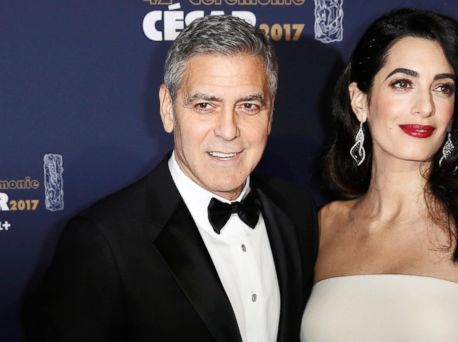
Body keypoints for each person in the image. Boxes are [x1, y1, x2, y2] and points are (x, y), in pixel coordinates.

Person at [25, 15, 318, 342]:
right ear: (168, 108)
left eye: (248, 105)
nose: (228, 130)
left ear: (270, 113)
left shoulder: (296, 211)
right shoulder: (102, 242)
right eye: (205, 105)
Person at [301, 8, 458, 342]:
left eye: (442, 88)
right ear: (360, 100)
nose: (425, 107)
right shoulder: (322, 227)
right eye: (403, 83)